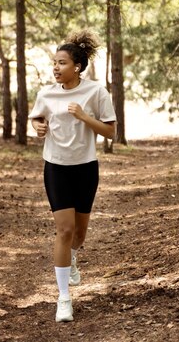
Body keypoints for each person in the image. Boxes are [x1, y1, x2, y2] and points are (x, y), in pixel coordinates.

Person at [29, 30, 116, 322]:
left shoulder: (96, 92)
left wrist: (83, 116)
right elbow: (38, 116)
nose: (56, 67)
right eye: (54, 62)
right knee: (64, 231)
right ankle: (63, 298)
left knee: (79, 234)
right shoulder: (46, 93)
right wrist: (38, 127)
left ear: (77, 66)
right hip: (56, 166)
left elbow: (110, 131)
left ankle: (73, 255)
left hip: (86, 167)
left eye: (62, 63)